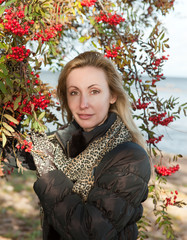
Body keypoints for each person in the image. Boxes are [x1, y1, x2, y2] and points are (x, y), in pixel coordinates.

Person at [2, 51, 151, 240]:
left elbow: (89, 233)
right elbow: (7, 149)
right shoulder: (61, 143)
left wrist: (49, 173)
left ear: (112, 95)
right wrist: (12, 94)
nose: (83, 104)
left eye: (94, 91)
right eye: (74, 92)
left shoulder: (130, 156)